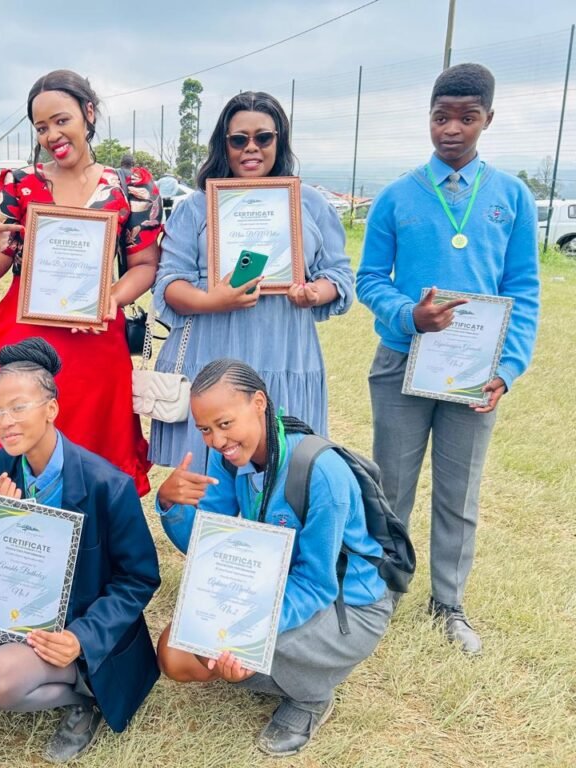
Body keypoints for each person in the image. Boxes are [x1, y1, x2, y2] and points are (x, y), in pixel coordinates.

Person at [356, 63, 540, 655]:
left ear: (488, 119)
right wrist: (409, 314)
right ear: (429, 119)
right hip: (401, 362)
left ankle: (449, 604)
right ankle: (384, 592)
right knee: (391, 486)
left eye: (467, 118)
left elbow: (522, 289)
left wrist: (506, 370)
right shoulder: (397, 195)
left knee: (459, 494)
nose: (452, 129)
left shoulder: (511, 197)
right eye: (441, 117)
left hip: (474, 373)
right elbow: (369, 279)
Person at [0, 338, 160, 763]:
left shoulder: (108, 485)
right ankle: (44, 673)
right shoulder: (3, 465)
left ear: (51, 408)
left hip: (84, 627)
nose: (5, 422)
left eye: (18, 407)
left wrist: (80, 638)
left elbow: (140, 578)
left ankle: (86, 695)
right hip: (23, 616)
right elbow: (4, 566)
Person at [155, 359, 392, 757]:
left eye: (224, 424)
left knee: (224, 647)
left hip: (348, 605)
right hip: (272, 584)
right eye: (205, 429)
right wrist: (170, 504)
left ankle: (311, 696)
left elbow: (316, 584)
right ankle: (279, 668)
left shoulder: (322, 473)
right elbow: (206, 547)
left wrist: (249, 635)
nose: (216, 440)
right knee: (174, 654)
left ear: (259, 403)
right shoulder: (228, 456)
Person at [0, 69, 161, 497]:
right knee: (15, 446)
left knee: (93, 453)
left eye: (61, 120)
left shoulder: (130, 187)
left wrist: (109, 299)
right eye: (41, 127)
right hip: (23, 339)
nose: (52, 135)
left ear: (88, 113)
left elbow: (144, 264)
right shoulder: (15, 186)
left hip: (96, 341)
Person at [150, 91, 353, 472]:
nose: (251, 148)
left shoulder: (309, 203)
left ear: (280, 141)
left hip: (284, 351)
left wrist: (315, 293)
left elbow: (339, 275)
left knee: (283, 474)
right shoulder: (195, 207)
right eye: (239, 139)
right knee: (207, 479)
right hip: (210, 351)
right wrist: (214, 300)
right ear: (223, 144)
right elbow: (169, 284)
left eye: (263, 137)